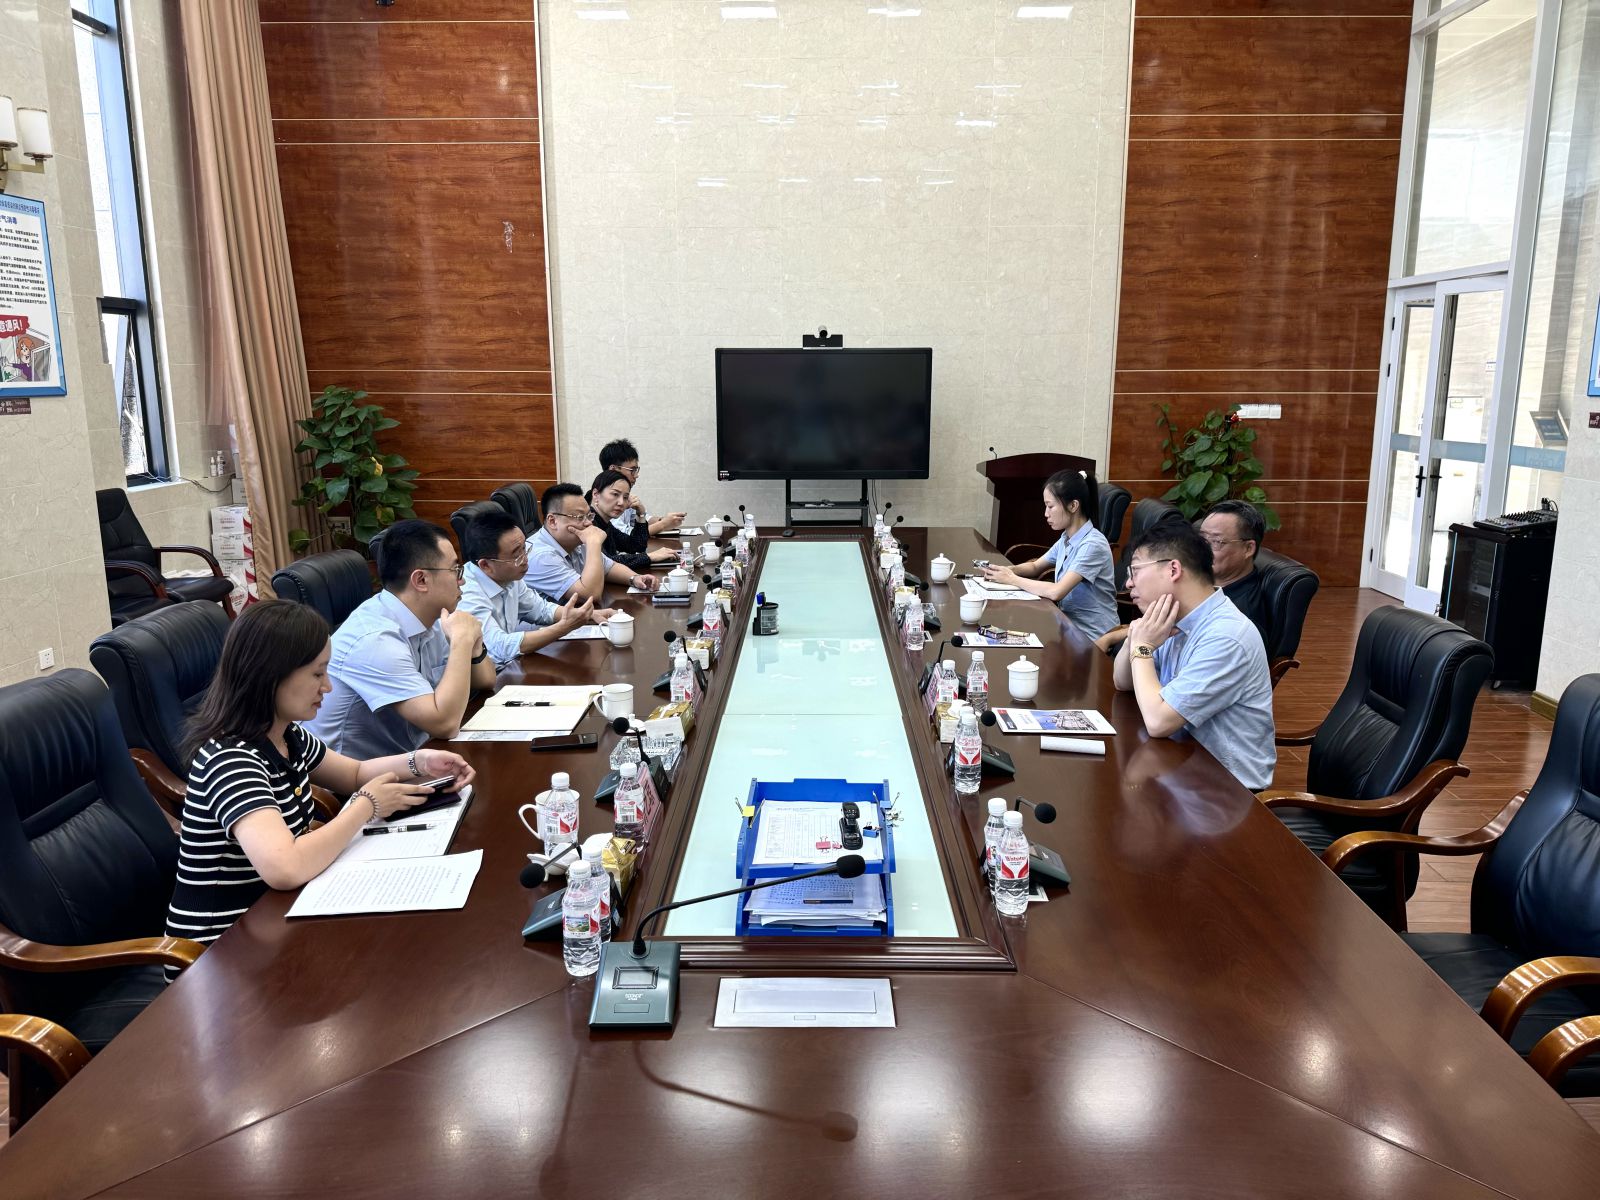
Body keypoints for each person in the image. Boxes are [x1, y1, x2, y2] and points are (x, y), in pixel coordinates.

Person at [165, 601, 477, 973]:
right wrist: (366, 806)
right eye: (317, 674)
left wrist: (419, 762)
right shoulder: (231, 759)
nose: (327, 686)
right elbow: (285, 866)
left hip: (278, 918)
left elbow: (354, 772)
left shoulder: (286, 735)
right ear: (271, 675)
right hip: (221, 954)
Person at [306, 519, 497, 757]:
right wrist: (461, 642)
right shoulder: (375, 640)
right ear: (421, 580)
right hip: (358, 776)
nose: (463, 580)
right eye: (455, 570)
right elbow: (445, 724)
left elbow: (486, 681)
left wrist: (474, 645)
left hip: (413, 757)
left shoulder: (430, 618)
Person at [1112, 521, 1275, 791]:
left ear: (1173, 569)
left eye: (1135, 570)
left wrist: (1142, 647)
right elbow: (1123, 682)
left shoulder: (1226, 636)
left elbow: (1158, 722)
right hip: (1178, 765)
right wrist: (1136, 635)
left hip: (1225, 791)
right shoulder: (1173, 618)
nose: (1128, 582)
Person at [460, 509, 611, 668]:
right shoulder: (466, 593)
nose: (525, 559)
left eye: (524, 548)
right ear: (485, 565)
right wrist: (563, 627)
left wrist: (586, 614)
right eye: (516, 555)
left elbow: (540, 609)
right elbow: (499, 647)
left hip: (509, 666)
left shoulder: (509, 575)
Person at [980, 468, 1118, 640]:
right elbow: (1035, 566)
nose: (1046, 514)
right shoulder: (1066, 538)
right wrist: (1005, 570)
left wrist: (1011, 579)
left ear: (1073, 506)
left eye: (1050, 506)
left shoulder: (1092, 544)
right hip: (1067, 626)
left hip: (1093, 637)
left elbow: (1057, 592)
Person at [525, 482, 659, 603]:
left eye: (589, 516)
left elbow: (609, 567)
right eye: (579, 517)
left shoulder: (574, 540)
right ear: (552, 521)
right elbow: (591, 596)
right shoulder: (541, 556)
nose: (588, 523)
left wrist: (634, 578)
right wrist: (593, 543)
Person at [1198, 498, 1268, 634]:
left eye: (1216, 541)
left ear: (1248, 548)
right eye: (1202, 539)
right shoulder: (1205, 582)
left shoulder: (1239, 619)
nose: (1201, 549)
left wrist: (1149, 643)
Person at [589, 469, 679, 574]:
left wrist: (640, 514)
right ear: (595, 494)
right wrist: (650, 556)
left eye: (625, 497)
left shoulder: (604, 523)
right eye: (615, 494)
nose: (621, 502)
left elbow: (637, 545)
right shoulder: (588, 523)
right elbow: (606, 563)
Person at [599, 438, 685, 537]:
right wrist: (663, 525)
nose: (636, 475)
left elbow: (644, 520)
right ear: (613, 469)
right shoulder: (605, 499)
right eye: (632, 470)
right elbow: (624, 535)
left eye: (636, 470)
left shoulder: (626, 497)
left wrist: (666, 520)